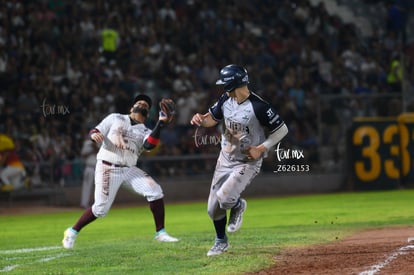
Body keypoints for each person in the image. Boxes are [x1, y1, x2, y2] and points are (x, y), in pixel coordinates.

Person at [190, 64, 288, 256]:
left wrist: (261, 148)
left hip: (247, 161)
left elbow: (282, 129)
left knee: (226, 198)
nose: (223, 89)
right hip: (225, 159)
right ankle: (221, 242)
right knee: (212, 209)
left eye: (225, 85)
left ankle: (237, 205)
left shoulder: (259, 106)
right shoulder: (226, 99)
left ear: (232, 84)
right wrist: (201, 120)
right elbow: (212, 119)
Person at [62, 94, 179, 249]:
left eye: (146, 104)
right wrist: (93, 135)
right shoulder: (115, 118)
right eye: (139, 102)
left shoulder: (146, 130)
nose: (143, 103)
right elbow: (96, 130)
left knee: (155, 190)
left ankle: (161, 233)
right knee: (100, 209)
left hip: (129, 169)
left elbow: (150, 145)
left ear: (148, 112)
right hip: (107, 166)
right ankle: (72, 231)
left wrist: (161, 123)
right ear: (132, 107)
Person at [79, 137, 99, 208]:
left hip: (97, 169)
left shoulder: (99, 143)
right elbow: (83, 155)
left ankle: (98, 204)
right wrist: (91, 151)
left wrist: (95, 147)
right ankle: (84, 204)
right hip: (89, 167)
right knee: (87, 186)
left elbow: (99, 151)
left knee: (99, 187)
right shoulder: (87, 143)